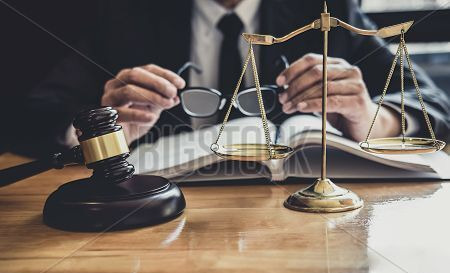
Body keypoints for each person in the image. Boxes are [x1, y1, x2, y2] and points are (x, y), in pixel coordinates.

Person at [24, 0, 449, 153]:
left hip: (291, 220)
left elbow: (434, 108)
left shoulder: (324, 8)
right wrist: (103, 127)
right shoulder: (125, 12)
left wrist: (369, 115)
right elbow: (33, 114)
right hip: (154, 219)